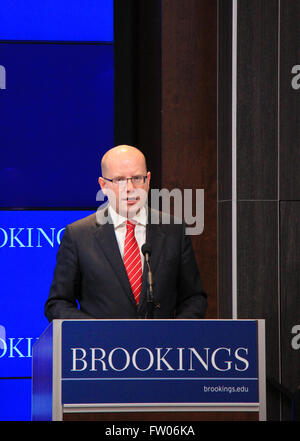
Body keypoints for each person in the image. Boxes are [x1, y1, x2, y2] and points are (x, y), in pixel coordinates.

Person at [45, 145, 207, 320]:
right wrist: (94, 333)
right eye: (119, 180)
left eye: (137, 178)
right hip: (102, 345)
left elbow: (194, 298)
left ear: (148, 179)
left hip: (161, 345)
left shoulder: (174, 230)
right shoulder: (78, 235)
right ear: (103, 185)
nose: (130, 188)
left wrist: (173, 336)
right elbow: (58, 304)